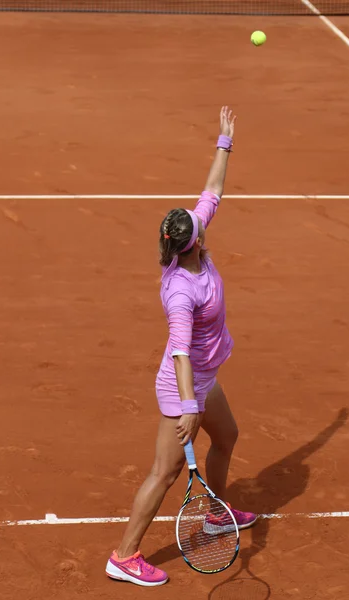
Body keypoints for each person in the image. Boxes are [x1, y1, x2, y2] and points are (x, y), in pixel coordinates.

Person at [105, 106, 257, 587]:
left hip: (205, 377)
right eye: (199, 222)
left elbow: (212, 191)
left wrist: (224, 142)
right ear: (194, 242)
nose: (204, 217)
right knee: (164, 473)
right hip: (182, 386)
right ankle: (124, 555)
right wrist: (188, 406)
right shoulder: (180, 293)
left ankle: (214, 511)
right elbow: (179, 351)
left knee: (227, 437)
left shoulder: (190, 238)